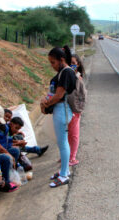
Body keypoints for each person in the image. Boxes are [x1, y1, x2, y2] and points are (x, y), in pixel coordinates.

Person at [40, 46, 76, 188]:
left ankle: (64, 176)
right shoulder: (64, 72)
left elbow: (59, 95)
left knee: (62, 144)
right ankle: (64, 170)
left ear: (62, 60)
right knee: (62, 143)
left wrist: (46, 102)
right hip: (60, 110)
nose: (52, 66)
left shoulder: (66, 73)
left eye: (53, 62)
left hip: (62, 110)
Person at [68, 54, 85, 166]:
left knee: (74, 135)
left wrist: (78, 109)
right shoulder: (66, 74)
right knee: (67, 134)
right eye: (70, 63)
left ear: (78, 64)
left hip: (74, 110)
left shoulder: (78, 78)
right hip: (66, 109)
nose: (71, 65)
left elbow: (82, 96)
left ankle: (72, 157)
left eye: (73, 64)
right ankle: (67, 155)